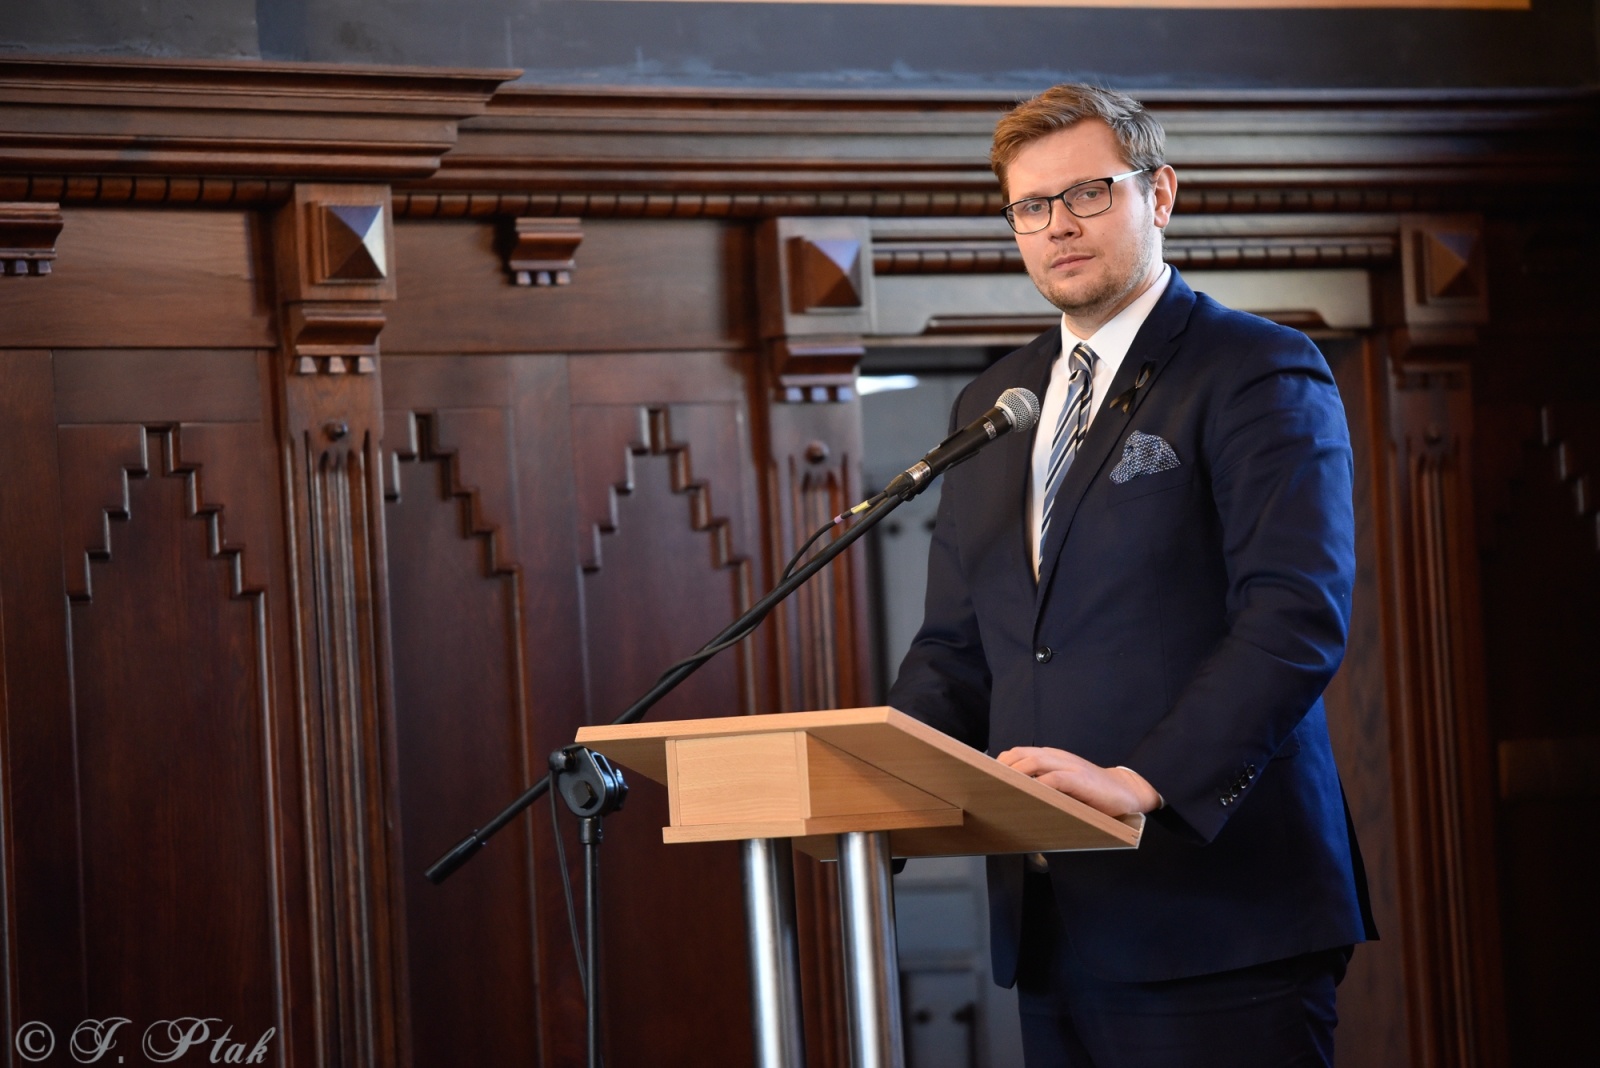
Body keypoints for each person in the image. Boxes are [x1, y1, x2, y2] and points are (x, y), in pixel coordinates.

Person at [885, 84, 1376, 1068]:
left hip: (1216, 914)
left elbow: (1293, 616)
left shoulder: (1255, 371)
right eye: (1030, 206)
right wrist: (883, 789)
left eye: (1088, 193)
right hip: (1054, 925)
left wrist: (1138, 782)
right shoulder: (998, 402)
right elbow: (957, 647)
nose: (1056, 225)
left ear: (1159, 195)